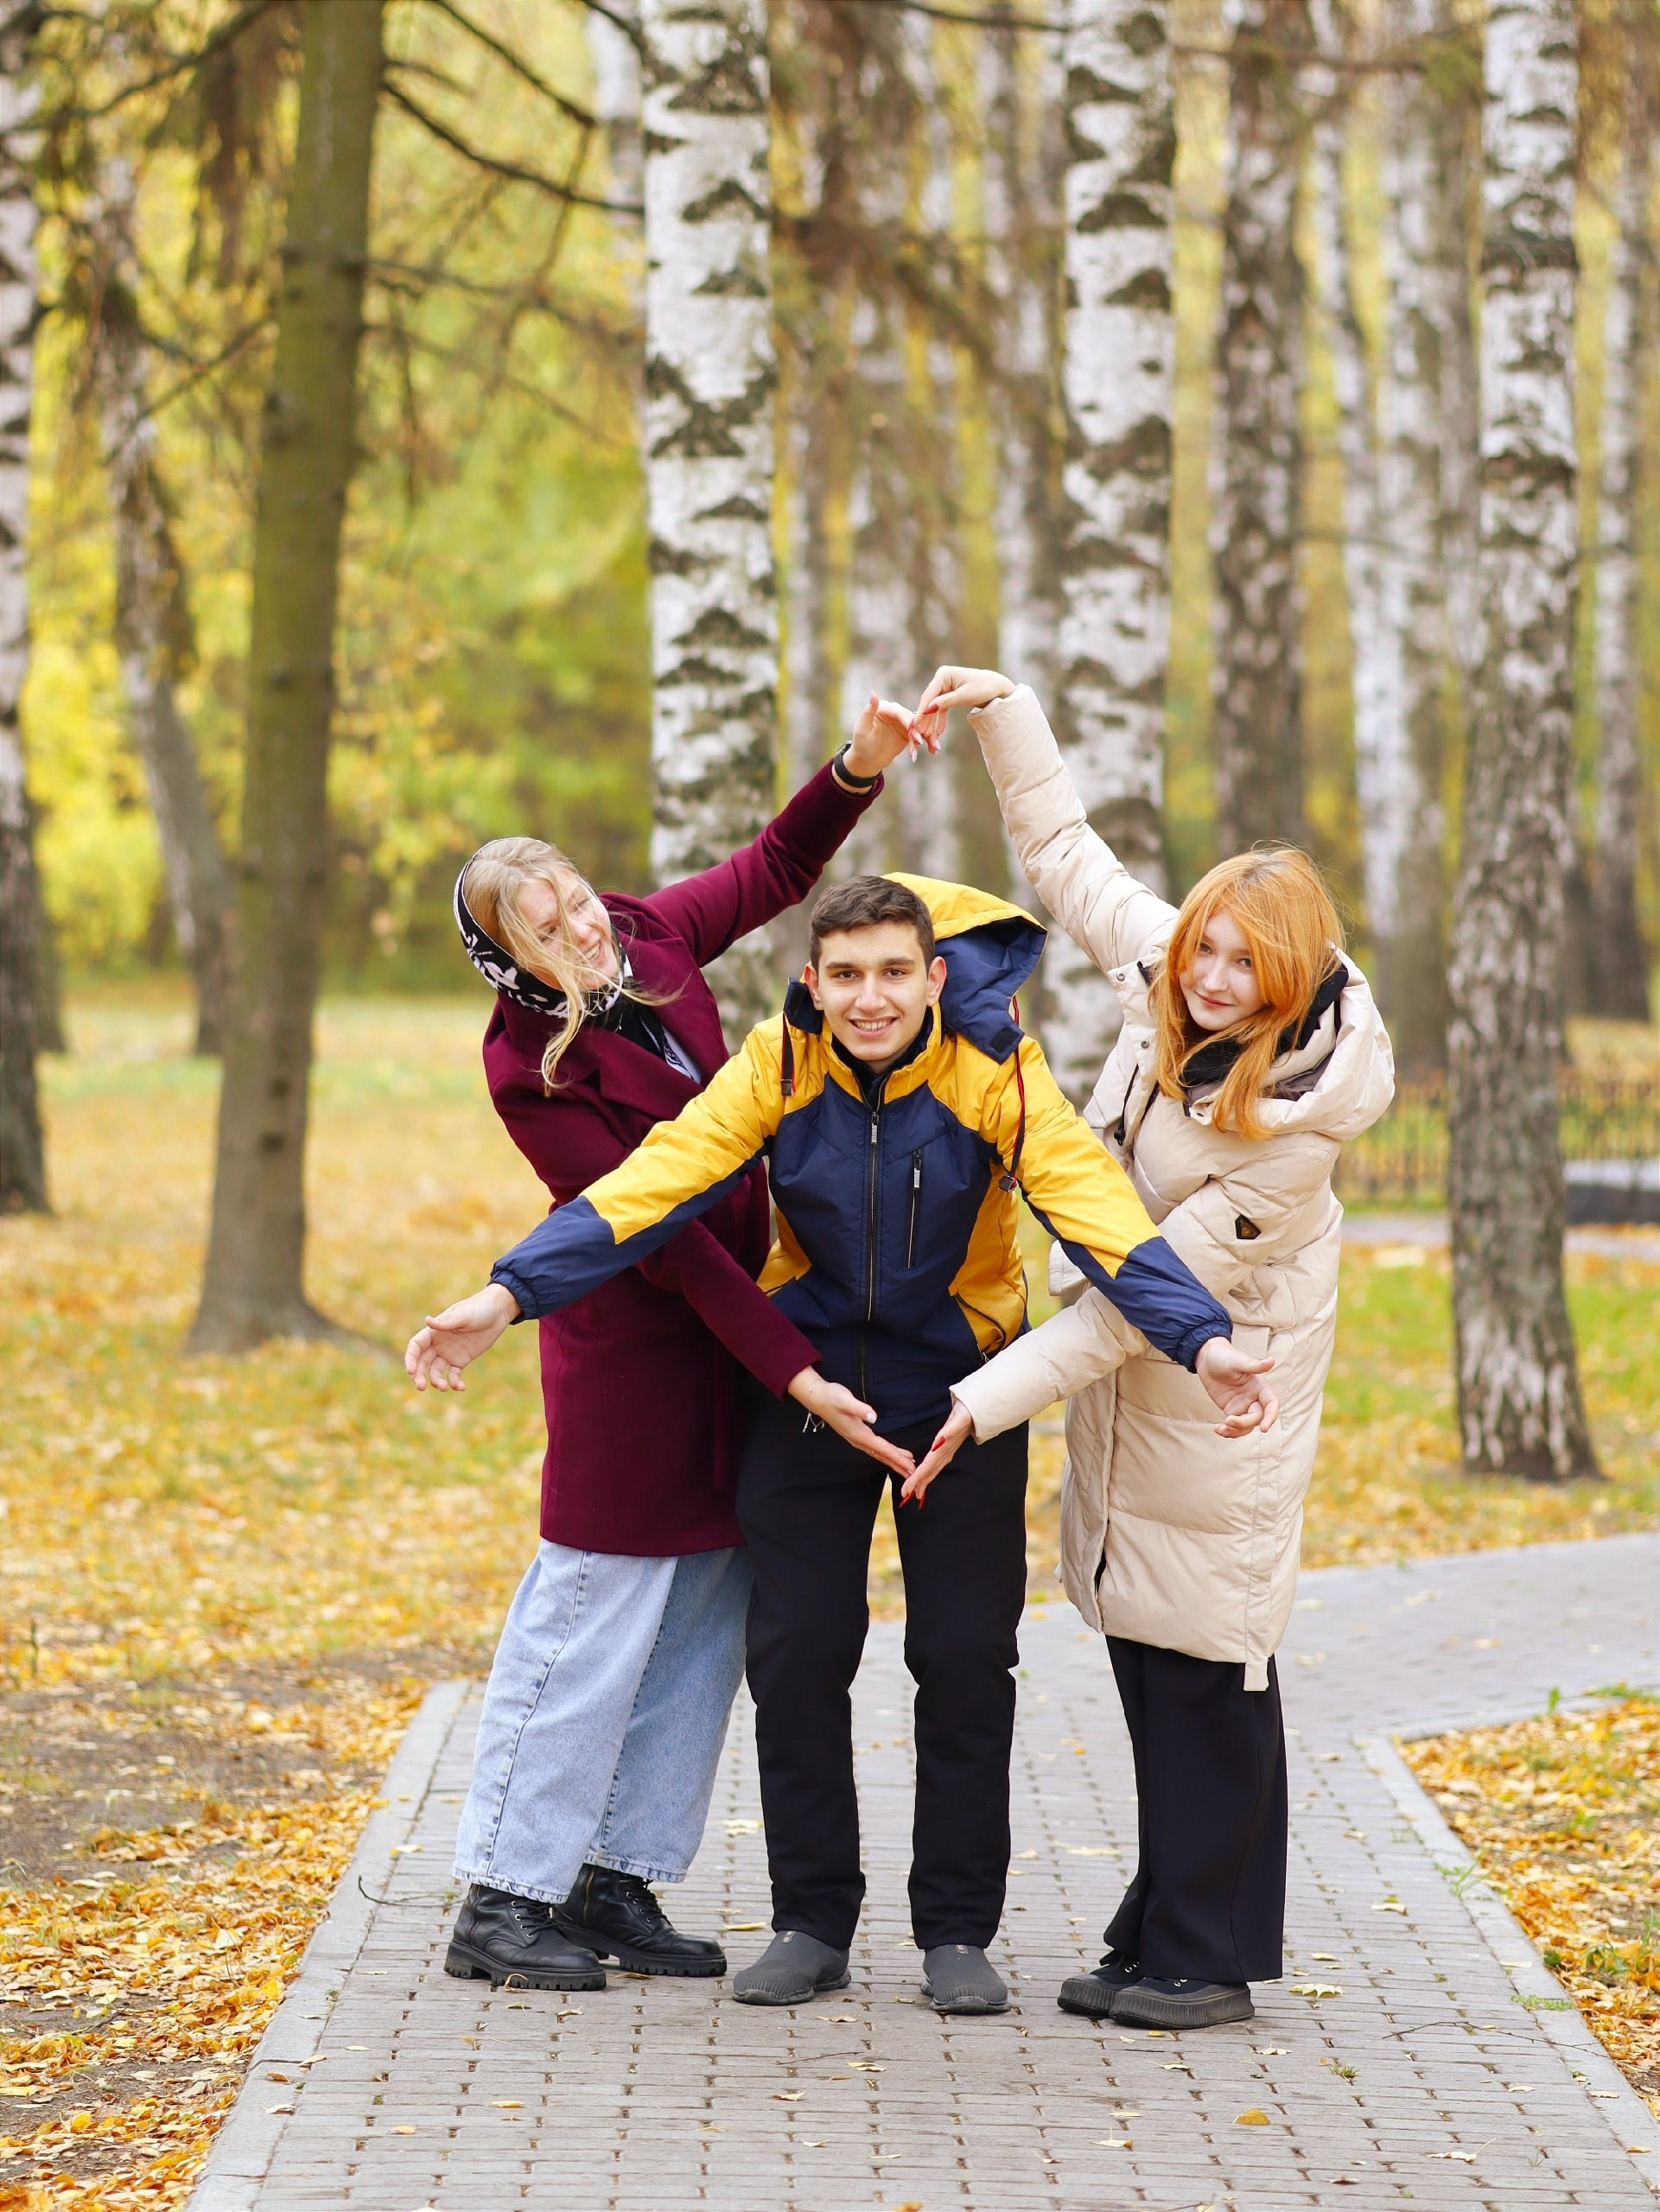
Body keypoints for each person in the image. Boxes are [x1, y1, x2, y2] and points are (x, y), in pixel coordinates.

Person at [408, 871, 1280, 2016]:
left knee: (965, 1664)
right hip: (811, 1390)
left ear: (933, 979)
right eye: (847, 976)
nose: (870, 999)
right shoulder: (777, 1061)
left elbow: (1101, 1218)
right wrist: (507, 1294)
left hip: (961, 1391)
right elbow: (645, 1189)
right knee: (798, 1658)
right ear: (815, 983)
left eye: (893, 974)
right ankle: (811, 1921)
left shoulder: (997, 1077)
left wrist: (1201, 1340)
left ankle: (956, 1932)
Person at [901, 666, 1396, 2031]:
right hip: (1148, 1386)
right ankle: (1169, 1922)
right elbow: (1063, 855)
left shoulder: (1299, 1125)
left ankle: (1207, 1955)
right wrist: (1007, 710)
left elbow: (1137, 1297)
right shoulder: (1168, 976)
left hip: (1220, 1388)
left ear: (1293, 975)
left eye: (1244, 965)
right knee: (1152, 1646)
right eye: (1204, 953)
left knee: (1208, 1652)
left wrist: (979, 1400)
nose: (1213, 979)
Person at [423, 698, 922, 1996]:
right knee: (586, 1623)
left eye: (579, 900)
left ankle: (613, 1878)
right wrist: (795, 1367)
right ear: (509, 959)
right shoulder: (529, 1064)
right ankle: (502, 1895)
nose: (585, 927)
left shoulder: (647, 937)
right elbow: (664, 1237)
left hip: (736, 1352)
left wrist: (857, 768)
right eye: (549, 926)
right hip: (641, 1361)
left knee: (706, 1619)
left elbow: (770, 867)